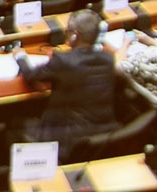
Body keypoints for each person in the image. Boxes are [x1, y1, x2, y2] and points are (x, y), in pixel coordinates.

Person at [22, 9, 120, 149]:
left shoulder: (63, 60)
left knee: (14, 125)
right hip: (103, 135)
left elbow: (31, 76)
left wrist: (19, 56)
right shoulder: (108, 58)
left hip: (67, 138)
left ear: (74, 35)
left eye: (67, 31)